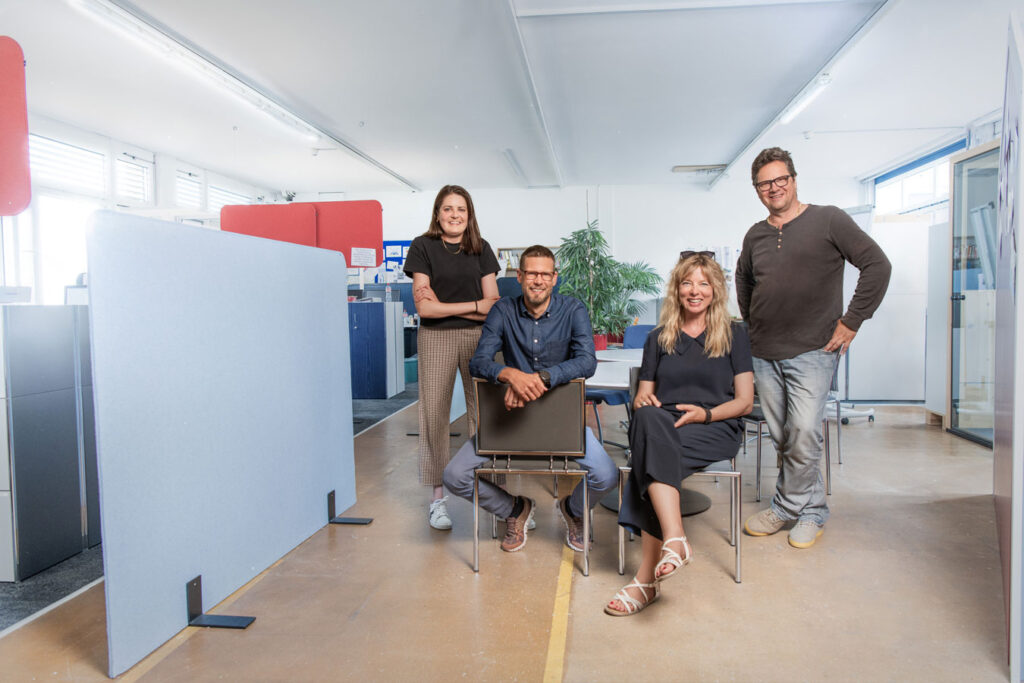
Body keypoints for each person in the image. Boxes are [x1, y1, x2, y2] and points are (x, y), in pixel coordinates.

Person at [736, 147, 891, 549]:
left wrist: (852, 320)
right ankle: (814, 508)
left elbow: (877, 264)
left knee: (804, 430)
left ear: (793, 178)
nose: (773, 188)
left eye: (780, 179)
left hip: (814, 348)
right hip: (764, 350)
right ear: (756, 189)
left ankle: (786, 508)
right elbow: (744, 284)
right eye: (764, 183)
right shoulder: (755, 234)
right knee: (786, 436)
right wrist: (754, 325)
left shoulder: (829, 219)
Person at [442, 245, 618, 553]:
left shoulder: (573, 309)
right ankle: (514, 509)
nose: (538, 280)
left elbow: (586, 361)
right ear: (520, 276)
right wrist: (511, 375)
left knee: (606, 475)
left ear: (554, 278)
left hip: (562, 424)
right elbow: (478, 362)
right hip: (510, 423)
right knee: (454, 476)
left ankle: (574, 509)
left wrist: (541, 379)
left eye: (545, 274)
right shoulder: (503, 310)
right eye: (531, 273)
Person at [606, 253, 753, 616]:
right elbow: (644, 394)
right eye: (687, 282)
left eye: (704, 283)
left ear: (716, 290)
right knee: (648, 422)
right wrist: (643, 397)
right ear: (677, 289)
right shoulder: (659, 338)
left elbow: (745, 402)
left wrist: (706, 413)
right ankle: (675, 540)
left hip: (714, 425)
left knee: (646, 457)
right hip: (666, 425)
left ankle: (645, 580)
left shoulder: (735, 334)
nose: (695, 290)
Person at [404, 185, 500, 530]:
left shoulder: (481, 249)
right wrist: (475, 306)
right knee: (434, 416)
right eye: (448, 209)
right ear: (438, 213)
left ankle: (496, 501)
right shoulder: (422, 247)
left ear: (469, 214)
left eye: (461, 209)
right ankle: (437, 500)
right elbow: (424, 308)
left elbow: (494, 306)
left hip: (480, 340)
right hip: (435, 339)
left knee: (486, 415)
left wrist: (444, 308)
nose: (455, 215)